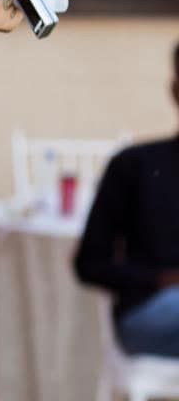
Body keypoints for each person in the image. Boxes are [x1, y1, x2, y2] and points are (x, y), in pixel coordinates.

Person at [74, 40, 179, 357]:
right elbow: (89, 263)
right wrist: (162, 278)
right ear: (175, 90)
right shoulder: (133, 165)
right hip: (148, 312)